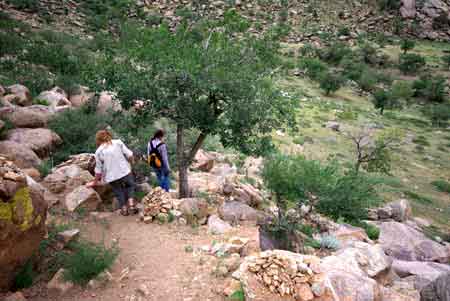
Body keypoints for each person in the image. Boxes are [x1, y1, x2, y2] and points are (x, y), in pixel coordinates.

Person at [87, 130, 137, 216]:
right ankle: (131, 205)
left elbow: (98, 171)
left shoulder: (98, 152)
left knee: (118, 191)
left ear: (98, 139)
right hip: (124, 171)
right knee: (130, 186)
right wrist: (132, 162)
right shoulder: (118, 142)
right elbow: (129, 154)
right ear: (109, 135)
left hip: (111, 176)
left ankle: (124, 209)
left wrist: (94, 182)